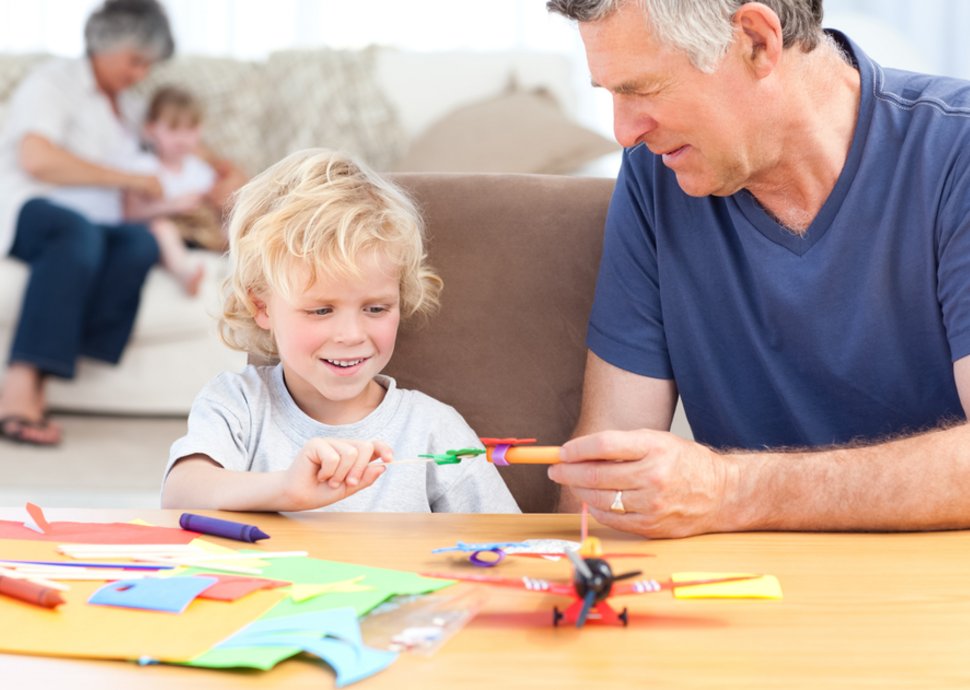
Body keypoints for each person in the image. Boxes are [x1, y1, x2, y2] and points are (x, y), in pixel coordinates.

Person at [544, 0, 970, 537]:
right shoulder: (656, 175)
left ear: (755, 40)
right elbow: (606, 474)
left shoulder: (957, 152)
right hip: (742, 599)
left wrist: (732, 490)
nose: (624, 131)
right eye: (610, 93)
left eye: (642, 89)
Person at [161, 148, 520, 514]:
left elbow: (508, 545)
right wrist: (286, 489)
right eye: (321, 310)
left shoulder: (433, 429)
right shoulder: (238, 405)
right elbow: (180, 494)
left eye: (376, 309)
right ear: (261, 307)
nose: (350, 335)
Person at [0, 0, 174, 446]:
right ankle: (18, 390)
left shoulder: (130, 109)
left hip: (96, 226)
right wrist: (128, 178)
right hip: (30, 207)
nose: (140, 74)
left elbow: (175, 146)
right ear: (104, 44)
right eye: (134, 61)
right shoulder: (53, 83)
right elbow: (35, 158)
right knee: (75, 233)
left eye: (147, 65)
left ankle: (58, 357)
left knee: (139, 244)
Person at [124, 85, 222, 296]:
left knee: (229, 228)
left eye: (190, 130)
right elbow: (130, 214)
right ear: (151, 129)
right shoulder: (143, 167)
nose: (182, 139)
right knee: (161, 228)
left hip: (200, 230)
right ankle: (185, 273)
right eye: (173, 129)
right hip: (168, 229)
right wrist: (172, 205)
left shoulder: (200, 169)